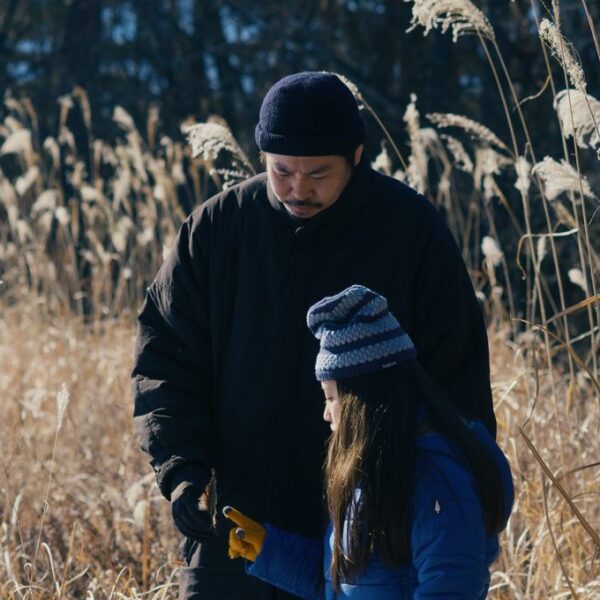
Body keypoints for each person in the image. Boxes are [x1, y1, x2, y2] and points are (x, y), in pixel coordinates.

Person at [132, 71, 496, 599]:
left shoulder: (411, 231)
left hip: (367, 536)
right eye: (281, 171)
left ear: (356, 155)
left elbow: (455, 386)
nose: (299, 189)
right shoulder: (216, 230)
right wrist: (181, 469)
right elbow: (165, 361)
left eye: (319, 173)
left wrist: (440, 503)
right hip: (235, 531)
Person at [224, 285, 514, 599]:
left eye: (331, 397)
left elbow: (451, 588)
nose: (325, 413)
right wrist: (270, 551)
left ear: (360, 400)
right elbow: (345, 585)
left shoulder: (437, 479)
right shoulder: (376, 473)